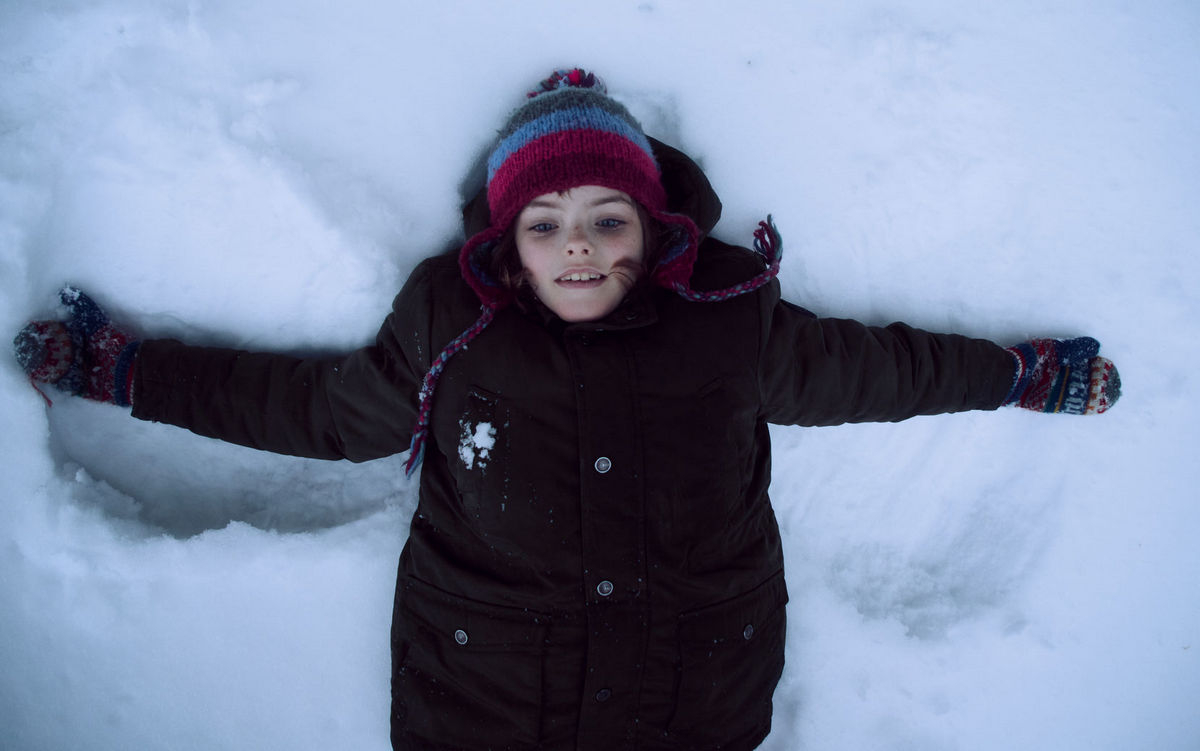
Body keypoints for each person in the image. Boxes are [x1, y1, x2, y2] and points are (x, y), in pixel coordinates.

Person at [12, 68, 1120, 751]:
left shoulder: (729, 319)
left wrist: (1017, 374)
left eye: (606, 219)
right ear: (507, 246)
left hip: (694, 690)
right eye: (544, 224)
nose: (577, 246)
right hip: (490, 699)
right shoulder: (452, 324)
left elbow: (877, 373)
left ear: (654, 229)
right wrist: (129, 373)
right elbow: (322, 413)